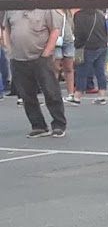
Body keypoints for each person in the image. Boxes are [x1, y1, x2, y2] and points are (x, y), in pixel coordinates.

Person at [3, 9, 68, 137]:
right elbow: (6, 28)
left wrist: (46, 53)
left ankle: (59, 124)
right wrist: (9, 49)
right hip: (18, 58)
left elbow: (55, 30)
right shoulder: (12, 9)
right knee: (26, 95)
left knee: (51, 92)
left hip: (41, 57)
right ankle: (38, 126)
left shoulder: (46, 9)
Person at [70, 6, 108, 104]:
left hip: (87, 47)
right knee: (100, 72)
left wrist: (77, 45)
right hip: (102, 45)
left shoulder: (79, 15)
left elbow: (80, 32)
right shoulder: (100, 15)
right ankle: (102, 96)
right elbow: (105, 31)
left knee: (81, 72)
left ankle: (77, 97)